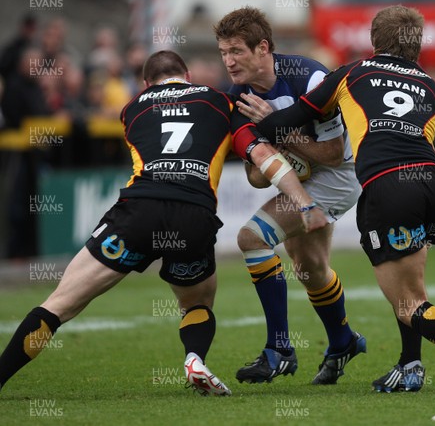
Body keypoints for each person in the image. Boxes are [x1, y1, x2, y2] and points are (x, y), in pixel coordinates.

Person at [0, 50, 327, 396]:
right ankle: (194, 359)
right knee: (197, 304)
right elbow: (264, 157)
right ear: (187, 74)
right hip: (193, 216)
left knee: (59, 304)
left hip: (138, 211)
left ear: (145, 83)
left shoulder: (132, 108)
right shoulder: (219, 101)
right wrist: (305, 204)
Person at [256, 5, 435, 393]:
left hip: (389, 187)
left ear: (373, 40)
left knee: (410, 305)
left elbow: (293, 116)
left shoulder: (351, 73)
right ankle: (410, 365)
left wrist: (261, 119)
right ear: (418, 46)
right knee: (412, 290)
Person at [213, 7, 365, 385]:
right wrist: (264, 151)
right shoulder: (239, 96)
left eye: (236, 52)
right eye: (223, 53)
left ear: (262, 47)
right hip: (305, 175)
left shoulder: (310, 78)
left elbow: (331, 153)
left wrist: (275, 129)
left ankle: (279, 349)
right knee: (310, 268)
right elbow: (256, 179)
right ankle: (343, 340)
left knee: (252, 237)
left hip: (338, 174)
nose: (228, 62)